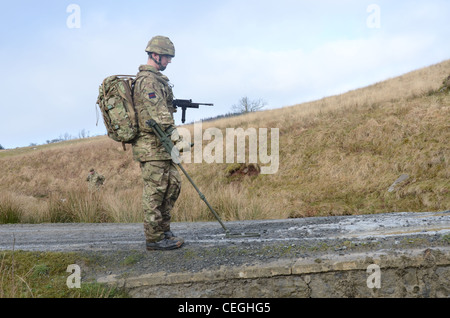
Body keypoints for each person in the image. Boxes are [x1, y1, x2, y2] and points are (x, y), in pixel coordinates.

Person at [132, 36, 185, 251]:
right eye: (166, 57)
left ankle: (164, 229)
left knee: (172, 185)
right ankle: (154, 238)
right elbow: (160, 114)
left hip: (162, 145)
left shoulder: (158, 80)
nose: (169, 61)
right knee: (155, 191)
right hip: (151, 146)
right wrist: (177, 139)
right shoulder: (148, 81)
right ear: (155, 55)